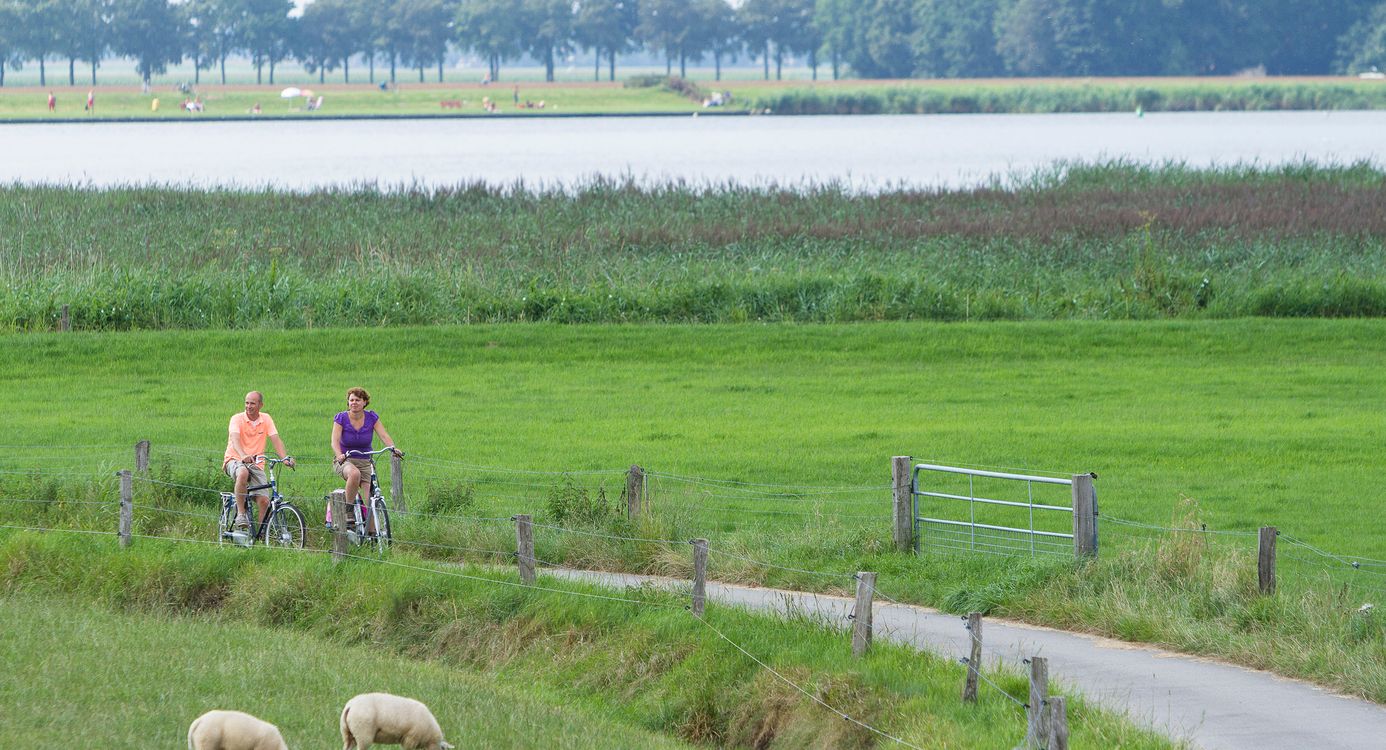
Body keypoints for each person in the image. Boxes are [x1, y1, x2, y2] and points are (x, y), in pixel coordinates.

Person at [331, 387, 401, 531]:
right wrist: (339, 455)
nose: (354, 403)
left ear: (364, 402)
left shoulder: (371, 418)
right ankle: (348, 512)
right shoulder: (341, 418)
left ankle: (372, 535)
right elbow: (335, 441)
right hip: (346, 460)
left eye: (357, 400)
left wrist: (393, 448)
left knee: (370, 499)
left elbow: (384, 435)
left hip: (365, 462)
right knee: (354, 474)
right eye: (351, 400)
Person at [224, 391, 295, 531]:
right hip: (235, 459)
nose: (248, 406)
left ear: (260, 405)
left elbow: (276, 439)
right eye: (247, 403)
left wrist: (285, 458)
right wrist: (243, 455)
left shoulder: (266, 419)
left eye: (252, 403)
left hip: (256, 464)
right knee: (243, 472)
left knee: (264, 500)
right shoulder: (237, 419)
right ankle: (241, 514)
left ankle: (262, 535)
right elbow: (235, 439)